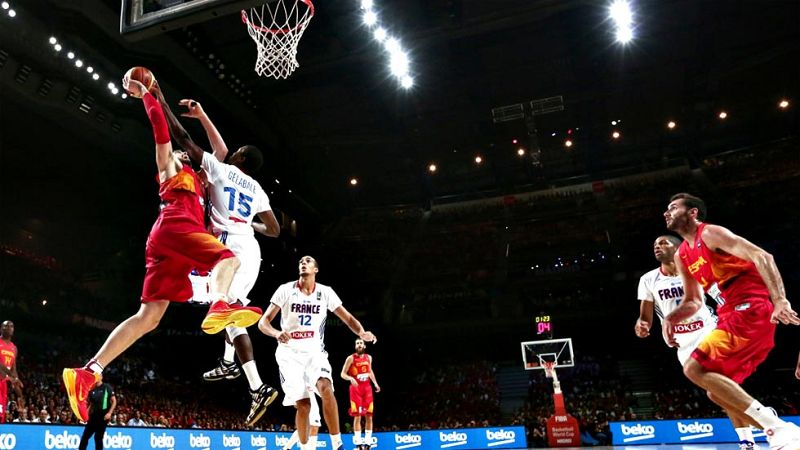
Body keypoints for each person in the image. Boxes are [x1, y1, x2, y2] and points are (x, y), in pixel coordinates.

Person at [62, 76, 263, 423]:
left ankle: (89, 370)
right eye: (182, 153)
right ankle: (220, 303)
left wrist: (202, 117)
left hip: (170, 245)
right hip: (174, 226)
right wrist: (149, 96)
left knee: (150, 317)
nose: (186, 154)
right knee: (228, 258)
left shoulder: (203, 182)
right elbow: (162, 134)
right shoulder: (170, 167)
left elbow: (222, 156)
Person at [158, 97, 281, 425]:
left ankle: (257, 387)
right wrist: (247, 223)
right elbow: (274, 229)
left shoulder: (219, 169)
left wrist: (161, 101)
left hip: (229, 251)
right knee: (228, 310)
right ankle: (229, 363)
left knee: (222, 309)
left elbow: (184, 139)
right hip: (251, 249)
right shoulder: (256, 187)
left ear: (239, 157)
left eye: (235, 152)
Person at [663, 193, 800, 449]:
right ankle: (778, 429)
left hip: (750, 308)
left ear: (692, 212)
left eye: (673, 207)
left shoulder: (710, 233)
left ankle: (778, 428)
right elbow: (694, 300)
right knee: (717, 391)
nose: (666, 212)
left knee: (694, 368)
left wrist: (780, 299)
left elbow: (763, 256)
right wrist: (671, 318)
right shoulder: (682, 255)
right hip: (728, 316)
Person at [635, 235, 761, 450]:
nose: (657, 246)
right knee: (719, 393)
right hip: (682, 344)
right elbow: (645, 316)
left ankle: (754, 435)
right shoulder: (648, 279)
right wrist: (642, 325)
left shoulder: (696, 271)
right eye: (655, 244)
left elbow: (722, 297)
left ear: (678, 249)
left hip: (708, 332)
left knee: (722, 388)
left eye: (663, 242)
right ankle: (761, 422)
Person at [259, 256, 377, 450]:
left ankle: (337, 444)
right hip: (289, 354)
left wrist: (361, 332)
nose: (303, 263)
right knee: (304, 405)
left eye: (308, 261)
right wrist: (276, 333)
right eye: (301, 261)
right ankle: (305, 447)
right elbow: (263, 322)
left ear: (316, 269)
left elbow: (348, 318)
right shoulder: (285, 290)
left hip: (314, 352)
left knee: (326, 388)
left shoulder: (325, 292)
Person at [341, 338, 381, 450]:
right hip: (356, 389)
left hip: (367, 388)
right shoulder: (350, 358)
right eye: (357, 343)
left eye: (361, 343)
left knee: (369, 415)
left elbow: (370, 371)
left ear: (364, 346)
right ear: (355, 346)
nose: (359, 345)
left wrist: (375, 383)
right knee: (357, 416)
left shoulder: (369, 358)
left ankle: (368, 444)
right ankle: (358, 444)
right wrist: (350, 378)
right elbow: (342, 374)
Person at [79, 373, 116, 450]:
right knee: (85, 436)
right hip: (93, 416)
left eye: (98, 375)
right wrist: (85, 415)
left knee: (98, 437)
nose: (96, 377)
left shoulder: (107, 387)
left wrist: (109, 413)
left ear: (101, 377)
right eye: (95, 375)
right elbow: (91, 404)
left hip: (103, 416)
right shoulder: (92, 389)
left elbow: (114, 401)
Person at [0, 320, 23, 424]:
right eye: (6, 326)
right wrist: (11, 375)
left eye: (11, 326)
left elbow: (14, 370)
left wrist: (20, 396)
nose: (9, 328)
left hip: (3, 384)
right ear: (1, 329)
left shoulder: (14, 348)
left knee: (2, 416)